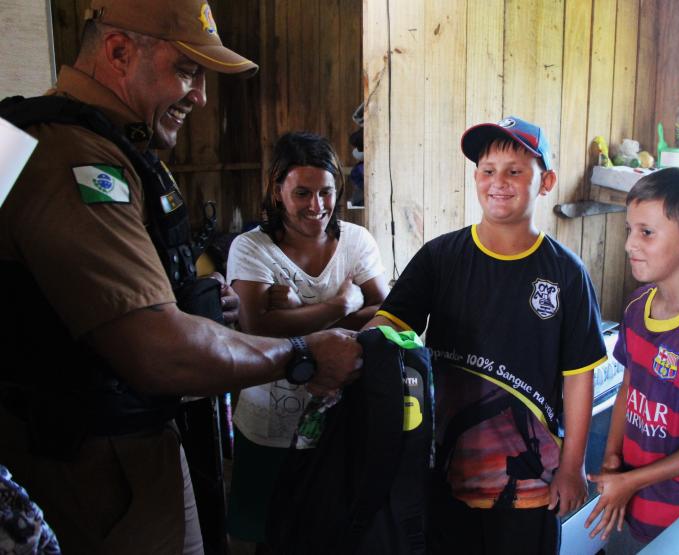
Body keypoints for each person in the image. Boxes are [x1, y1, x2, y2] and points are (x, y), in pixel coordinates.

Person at [0, 1, 362, 554]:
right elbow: (155, 350)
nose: (201, 96)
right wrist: (298, 353)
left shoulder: (113, 144)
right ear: (119, 51)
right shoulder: (72, 155)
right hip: (92, 467)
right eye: (188, 71)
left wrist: (193, 303)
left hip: (122, 445)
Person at [364, 116, 608, 554]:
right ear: (476, 177)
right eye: (487, 170)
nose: (499, 182)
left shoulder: (566, 273)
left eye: (515, 171)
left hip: (531, 482)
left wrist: (574, 467)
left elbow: (578, 376)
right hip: (445, 473)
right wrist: (350, 347)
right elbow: (387, 326)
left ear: (546, 181)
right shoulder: (441, 257)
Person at [224, 131, 388, 548]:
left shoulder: (356, 241)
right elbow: (257, 326)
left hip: (341, 419)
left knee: (329, 528)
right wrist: (340, 305)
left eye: (326, 192)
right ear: (277, 190)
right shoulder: (251, 248)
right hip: (269, 423)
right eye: (302, 193)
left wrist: (295, 314)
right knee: (264, 534)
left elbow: (386, 312)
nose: (317, 206)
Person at [584, 165, 679, 551]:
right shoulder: (639, 303)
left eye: (646, 233)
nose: (629, 245)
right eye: (630, 230)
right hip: (627, 494)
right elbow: (629, 387)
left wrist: (632, 481)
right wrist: (612, 460)